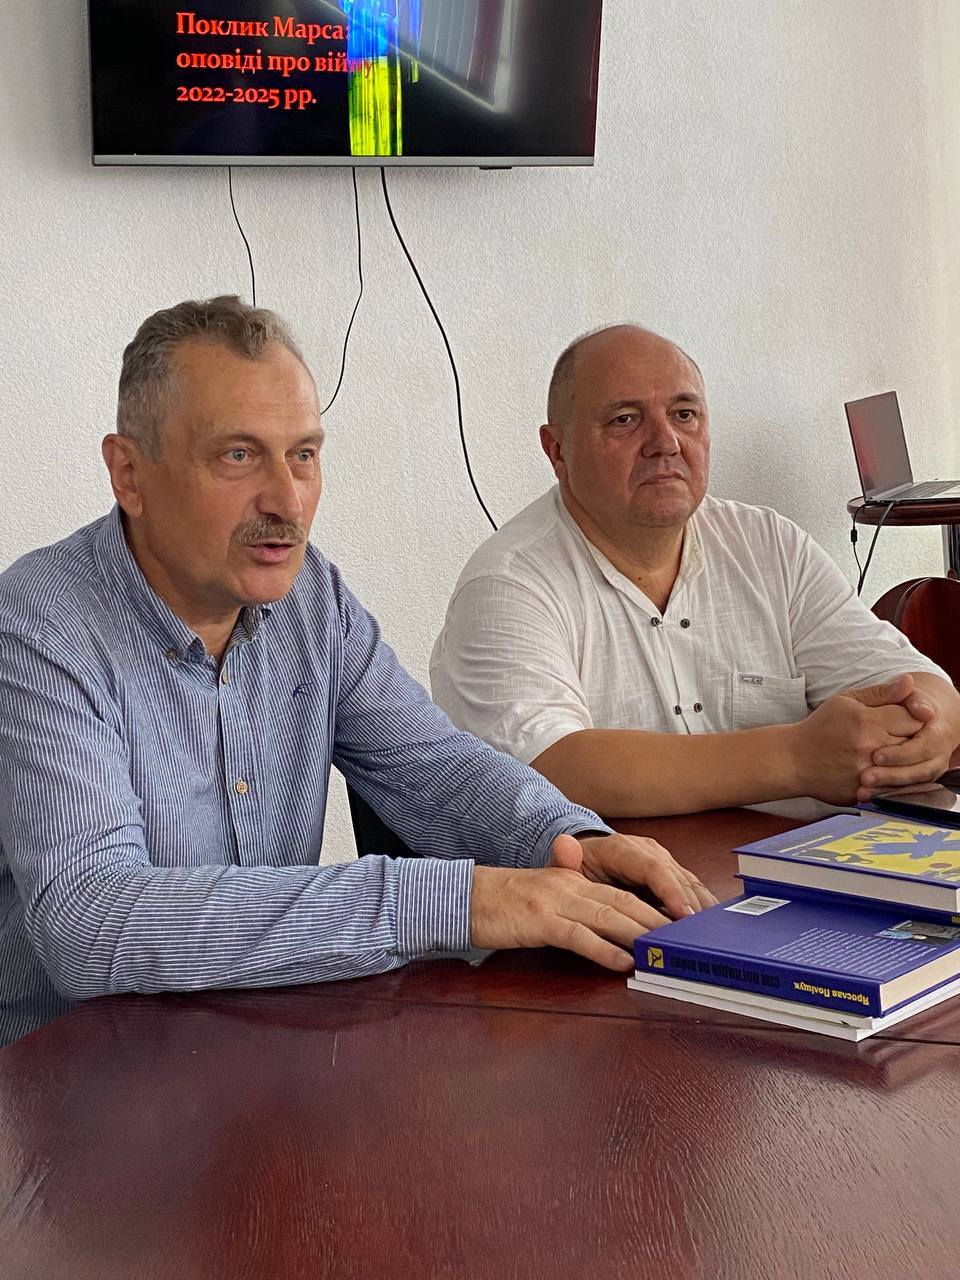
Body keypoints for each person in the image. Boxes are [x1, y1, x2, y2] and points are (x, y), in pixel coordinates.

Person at [0, 300, 714, 1047]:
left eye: (304, 454)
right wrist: (454, 901)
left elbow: (432, 765)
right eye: (238, 456)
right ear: (129, 474)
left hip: (264, 1043)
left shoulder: (310, 594)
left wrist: (567, 840)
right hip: (74, 1080)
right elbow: (91, 920)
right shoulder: (40, 627)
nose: (286, 501)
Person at [431, 324, 960, 817]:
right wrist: (796, 758)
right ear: (557, 450)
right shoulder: (507, 585)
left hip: (808, 867)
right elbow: (547, 768)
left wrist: (928, 725)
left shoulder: (768, 544)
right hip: (621, 882)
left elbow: (918, 685)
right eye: (624, 420)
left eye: (684, 414)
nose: (665, 442)